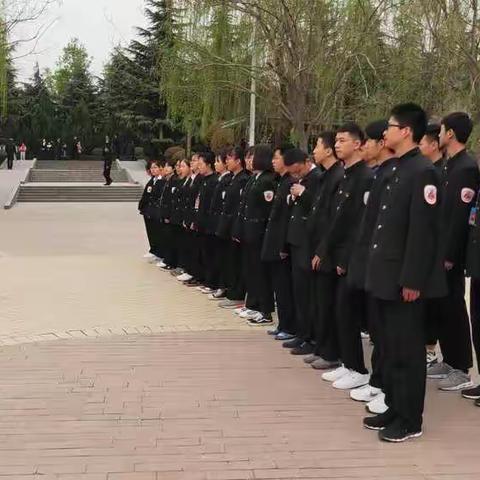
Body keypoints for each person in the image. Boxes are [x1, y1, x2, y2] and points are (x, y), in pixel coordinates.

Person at [363, 103, 446, 443]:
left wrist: (413, 279)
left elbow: (423, 232)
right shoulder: (398, 169)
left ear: (406, 131)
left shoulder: (423, 172)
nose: (386, 132)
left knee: (408, 351)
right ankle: (395, 407)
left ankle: (411, 420)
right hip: (385, 276)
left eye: (392, 126)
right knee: (390, 347)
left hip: (404, 281)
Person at [426, 112, 480, 391]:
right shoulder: (449, 167)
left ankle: (460, 366)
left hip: (452, 254)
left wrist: (448, 254)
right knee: (442, 306)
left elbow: (459, 217)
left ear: (451, 134)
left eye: (444, 129)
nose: (440, 134)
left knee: (454, 307)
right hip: (439, 251)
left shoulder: (466, 168)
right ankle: (448, 360)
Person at [317, 122, 373, 390]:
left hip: (351, 259)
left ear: (358, 144)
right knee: (341, 312)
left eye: (342, 140)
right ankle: (349, 364)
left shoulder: (364, 177)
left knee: (348, 312)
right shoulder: (347, 175)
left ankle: (358, 368)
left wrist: (345, 258)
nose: (337, 144)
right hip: (338, 255)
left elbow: (359, 225)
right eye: (335, 140)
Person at [346, 120, 397, 414]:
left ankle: (386, 385)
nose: (364, 146)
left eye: (368, 141)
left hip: (387, 268)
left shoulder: (394, 173)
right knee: (378, 330)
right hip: (370, 262)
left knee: (388, 333)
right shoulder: (380, 174)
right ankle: (379, 380)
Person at [306, 131, 344, 372]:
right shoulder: (324, 177)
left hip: (329, 251)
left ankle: (332, 353)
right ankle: (322, 347)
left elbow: (334, 220)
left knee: (328, 304)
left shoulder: (338, 177)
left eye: (318, 146)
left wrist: (322, 250)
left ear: (328, 150)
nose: (315, 150)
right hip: (318, 246)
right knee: (319, 302)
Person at [283, 148, 323, 353]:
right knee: (298, 291)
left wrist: (303, 194)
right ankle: (302, 333)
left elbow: (319, 207)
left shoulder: (317, 178)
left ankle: (311, 337)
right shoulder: (304, 179)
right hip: (297, 241)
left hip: (309, 243)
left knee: (308, 293)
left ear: (305, 162)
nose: (294, 174)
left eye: (296, 169)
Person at [261, 144, 296, 340]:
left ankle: (289, 326)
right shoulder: (281, 181)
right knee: (279, 287)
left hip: (281, 245)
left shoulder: (290, 182)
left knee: (284, 288)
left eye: (276, 157)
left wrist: (283, 245)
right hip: (274, 242)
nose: (273, 161)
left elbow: (286, 218)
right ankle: (283, 323)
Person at [419, 123, 446, 368]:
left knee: (437, 305)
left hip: (439, 250)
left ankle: (430, 350)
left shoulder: (433, 172)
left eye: (423, 143)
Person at [242, 144, 277, 325]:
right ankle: (255, 306)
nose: (248, 160)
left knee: (262, 273)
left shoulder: (267, 180)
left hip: (260, 232)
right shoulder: (255, 178)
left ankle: (266, 311)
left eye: (252, 156)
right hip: (251, 230)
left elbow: (267, 210)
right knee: (253, 271)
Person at [215, 147, 250, 308]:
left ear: (238, 161)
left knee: (237, 262)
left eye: (230, 158)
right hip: (227, 225)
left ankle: (238, 294)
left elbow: (239, 207)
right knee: (229, 261)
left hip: (236, 227)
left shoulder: (243, 179)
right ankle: (231, 290)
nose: (226, 161)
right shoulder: (232, 178)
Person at [206, 150, 233, 299]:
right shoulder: (220, 179)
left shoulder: (229, 179)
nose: (216, 164)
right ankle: (218, 284)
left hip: (223, 225)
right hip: (216, 224)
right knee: (217, 256)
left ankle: (223, 286)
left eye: (218, 161)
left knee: (223, 258)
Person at [192, 151, 219, 291]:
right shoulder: (202, 180)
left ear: (209, 165)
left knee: (210, 254)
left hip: (209, 223)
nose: (199, 166)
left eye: (201, 164)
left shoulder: (214, 181)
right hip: (200, 221)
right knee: (203, 252)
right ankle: (204, 279)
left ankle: (212, 282)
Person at [139, 160, 164, 261]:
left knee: (158, 232)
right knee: (151, 231)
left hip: (156, 211)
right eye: (151, 168)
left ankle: (160, 252)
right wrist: (142, 207)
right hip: (148, 210)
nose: (153, 170)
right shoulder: (152, 180)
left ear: (160, 168)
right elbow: (146, 195)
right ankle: (153, 249)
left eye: (155, 167)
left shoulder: (162, 181)